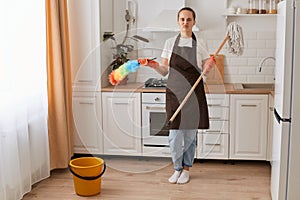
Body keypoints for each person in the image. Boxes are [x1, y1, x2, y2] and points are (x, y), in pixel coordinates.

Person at [139, 7, 216, 184]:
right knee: (174, 136)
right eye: (182, 19)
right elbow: (164, 71)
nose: (185, 23)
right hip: (174, 92)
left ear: (194, 22)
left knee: (189, 135)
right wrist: (153, 65)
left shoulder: (201, 43)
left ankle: (187, 169)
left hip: (194, 94)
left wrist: (209, 66)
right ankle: (176, 168)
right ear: (178, 21)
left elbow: (206, 70)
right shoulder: (169, 42)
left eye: (189, 19)